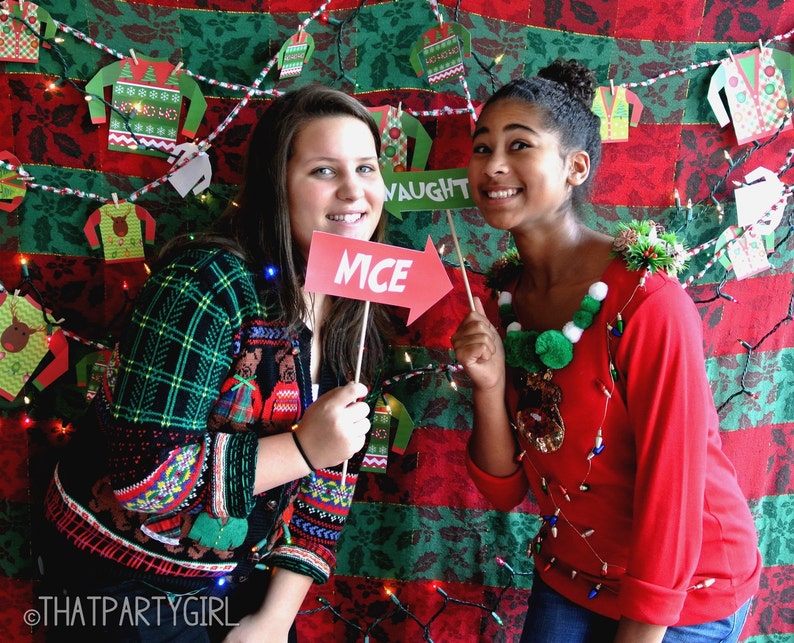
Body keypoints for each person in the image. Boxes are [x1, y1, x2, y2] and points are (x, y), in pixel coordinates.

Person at [40, 83, 391, 642]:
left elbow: (332, 487)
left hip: (237, 578)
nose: (354, 191)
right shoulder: (207, 284)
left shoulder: (359, 308)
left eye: (367, 168)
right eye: (325, 170)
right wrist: (303, 448)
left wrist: (273, 623)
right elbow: (144, 477)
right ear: (278, 186)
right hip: (119, 581)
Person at [451, 59, 761, 643]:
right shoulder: (507, 302)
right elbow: (506, 488)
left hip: (687, 585)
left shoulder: (648, 302)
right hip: (574, 573)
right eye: (481, 147)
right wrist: (490, 387)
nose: (493, 166)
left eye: (519, 146)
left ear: (575, 167)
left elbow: (673, 490)